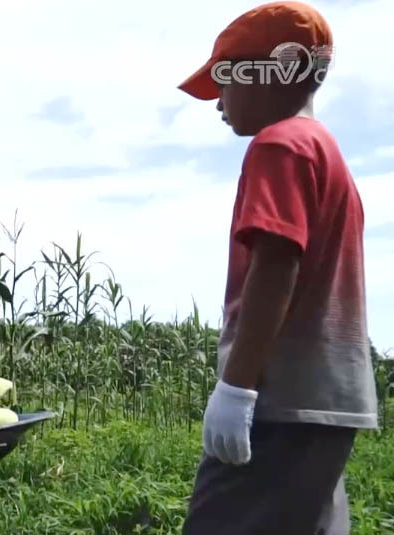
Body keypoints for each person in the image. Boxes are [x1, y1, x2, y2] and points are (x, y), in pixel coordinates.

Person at [176, 3, 377, 534]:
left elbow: (276, 263)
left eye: (225, 80)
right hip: (326, 403)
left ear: (272, 73)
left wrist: (237, 389)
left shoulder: (279, 146)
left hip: (279, 402)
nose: (218, 100)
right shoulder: (326, 153)